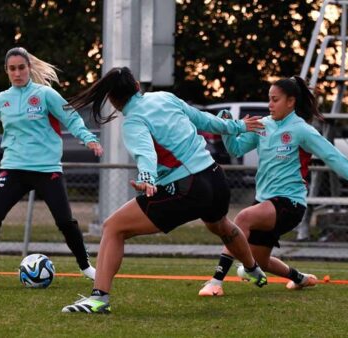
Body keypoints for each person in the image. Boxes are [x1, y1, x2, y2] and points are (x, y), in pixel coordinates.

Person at [60, 67, 267, 314]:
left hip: (189, 187)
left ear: (113, 101)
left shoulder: (134, 120)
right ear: (137, 85)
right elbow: (204, 120)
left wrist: (147, 179)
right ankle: (252, 268)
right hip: (216, 177)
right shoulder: (164, 97)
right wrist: (239, 126)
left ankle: (98, 299)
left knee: (113, 227)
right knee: (221, 225)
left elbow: (145, 153)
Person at [198, 76, 348, 296]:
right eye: (269, 99)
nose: (270, 104)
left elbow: (335, 158)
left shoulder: (302, 130)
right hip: (264, 202)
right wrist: (227, 128)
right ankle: (301, 279)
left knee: (242, 218)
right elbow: (236, 149)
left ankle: (216, 281)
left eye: (275, 99)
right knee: (259, 261)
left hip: (290, 203)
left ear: (290, 102)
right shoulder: (263, 126)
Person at [0, 47, 103, 287]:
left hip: (46, 168)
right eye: (12, 69)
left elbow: (71, 118)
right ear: (7, 71)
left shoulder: (45, 95)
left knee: (65, 222)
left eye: (21, 67)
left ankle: (86, 267)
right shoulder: (1, 101)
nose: (17, 72)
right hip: (13, 168)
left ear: (29, 68)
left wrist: (89, 139)